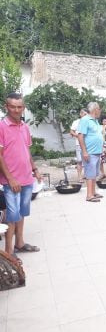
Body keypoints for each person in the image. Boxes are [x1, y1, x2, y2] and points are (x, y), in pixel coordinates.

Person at [0, 93, 42, 264]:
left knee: (21, 213)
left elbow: (27, 150)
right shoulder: (2, 126)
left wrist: (35, 169)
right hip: (12, 182)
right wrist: (10, 179)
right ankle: (9, 251)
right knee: (12, 215)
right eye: (13, 106)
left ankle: (19, 243)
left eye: (19, 107)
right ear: (6, 107)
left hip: (26, 179)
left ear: (23, 108)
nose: (16, 110)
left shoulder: (24, 126)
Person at [77, 102, 104, 202]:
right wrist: (84, 151)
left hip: (97, 151)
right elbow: (80, 136)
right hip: (89, 152)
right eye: (99, 109)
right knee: (89, 173)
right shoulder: (85, 120)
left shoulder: (95, 121)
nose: (100, 111)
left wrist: (102, 143)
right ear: (95, 109)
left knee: (94, 173)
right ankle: (89, 195)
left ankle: (93, 192)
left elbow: (96, 135)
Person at [70, 108, 87, 183]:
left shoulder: (88, 122)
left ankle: (87, 175)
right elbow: (71, 132)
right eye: (84, 114)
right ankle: (79, 177)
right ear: (81, 114)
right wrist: (78, 136)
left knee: (88, 160)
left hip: (88, 144)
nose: (85, 115)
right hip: (79, 144)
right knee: (79, 161)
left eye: (86, 114)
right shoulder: (76, 122)